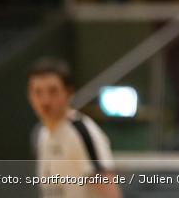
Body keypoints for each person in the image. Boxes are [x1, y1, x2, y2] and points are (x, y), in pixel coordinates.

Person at [27, 57, 122, 198]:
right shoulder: (42, 135)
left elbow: (109, 190)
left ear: (68, 93)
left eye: (53, 91)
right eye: (38, 92)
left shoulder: (81, 131)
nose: (45, 101)